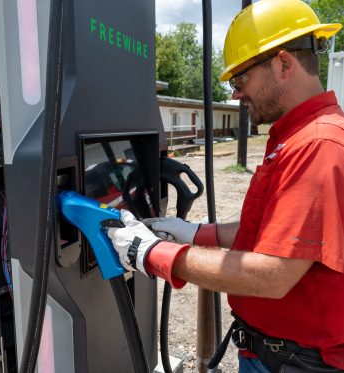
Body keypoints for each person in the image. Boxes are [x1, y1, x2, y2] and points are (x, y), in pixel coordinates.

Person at [107, 0, 344, 372]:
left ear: (283, 64)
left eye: (241, 79)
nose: (235, 94)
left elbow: (272, 274)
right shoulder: (296, 137)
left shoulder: (317, 146)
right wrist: (196, 232)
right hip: (275, 353)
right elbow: (270, 231)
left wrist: (151, 253)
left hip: (293, 361)